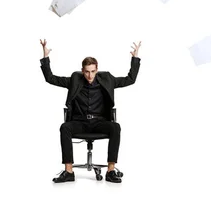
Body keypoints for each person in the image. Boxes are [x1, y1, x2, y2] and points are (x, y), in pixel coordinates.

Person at [39, 39, 141, 183]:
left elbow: (130, 79)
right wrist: (45, 57)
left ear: (97, 69)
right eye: (86, 72)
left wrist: (135, 58)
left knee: (115, 127)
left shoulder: (107, 79)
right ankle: (69, 172)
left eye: (93, 71)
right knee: (65, 127)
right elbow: (50, 78)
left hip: (100, 122)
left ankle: (111, 171)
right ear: (82, 71)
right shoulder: (75, 79)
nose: (90, 75)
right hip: (80, 122)